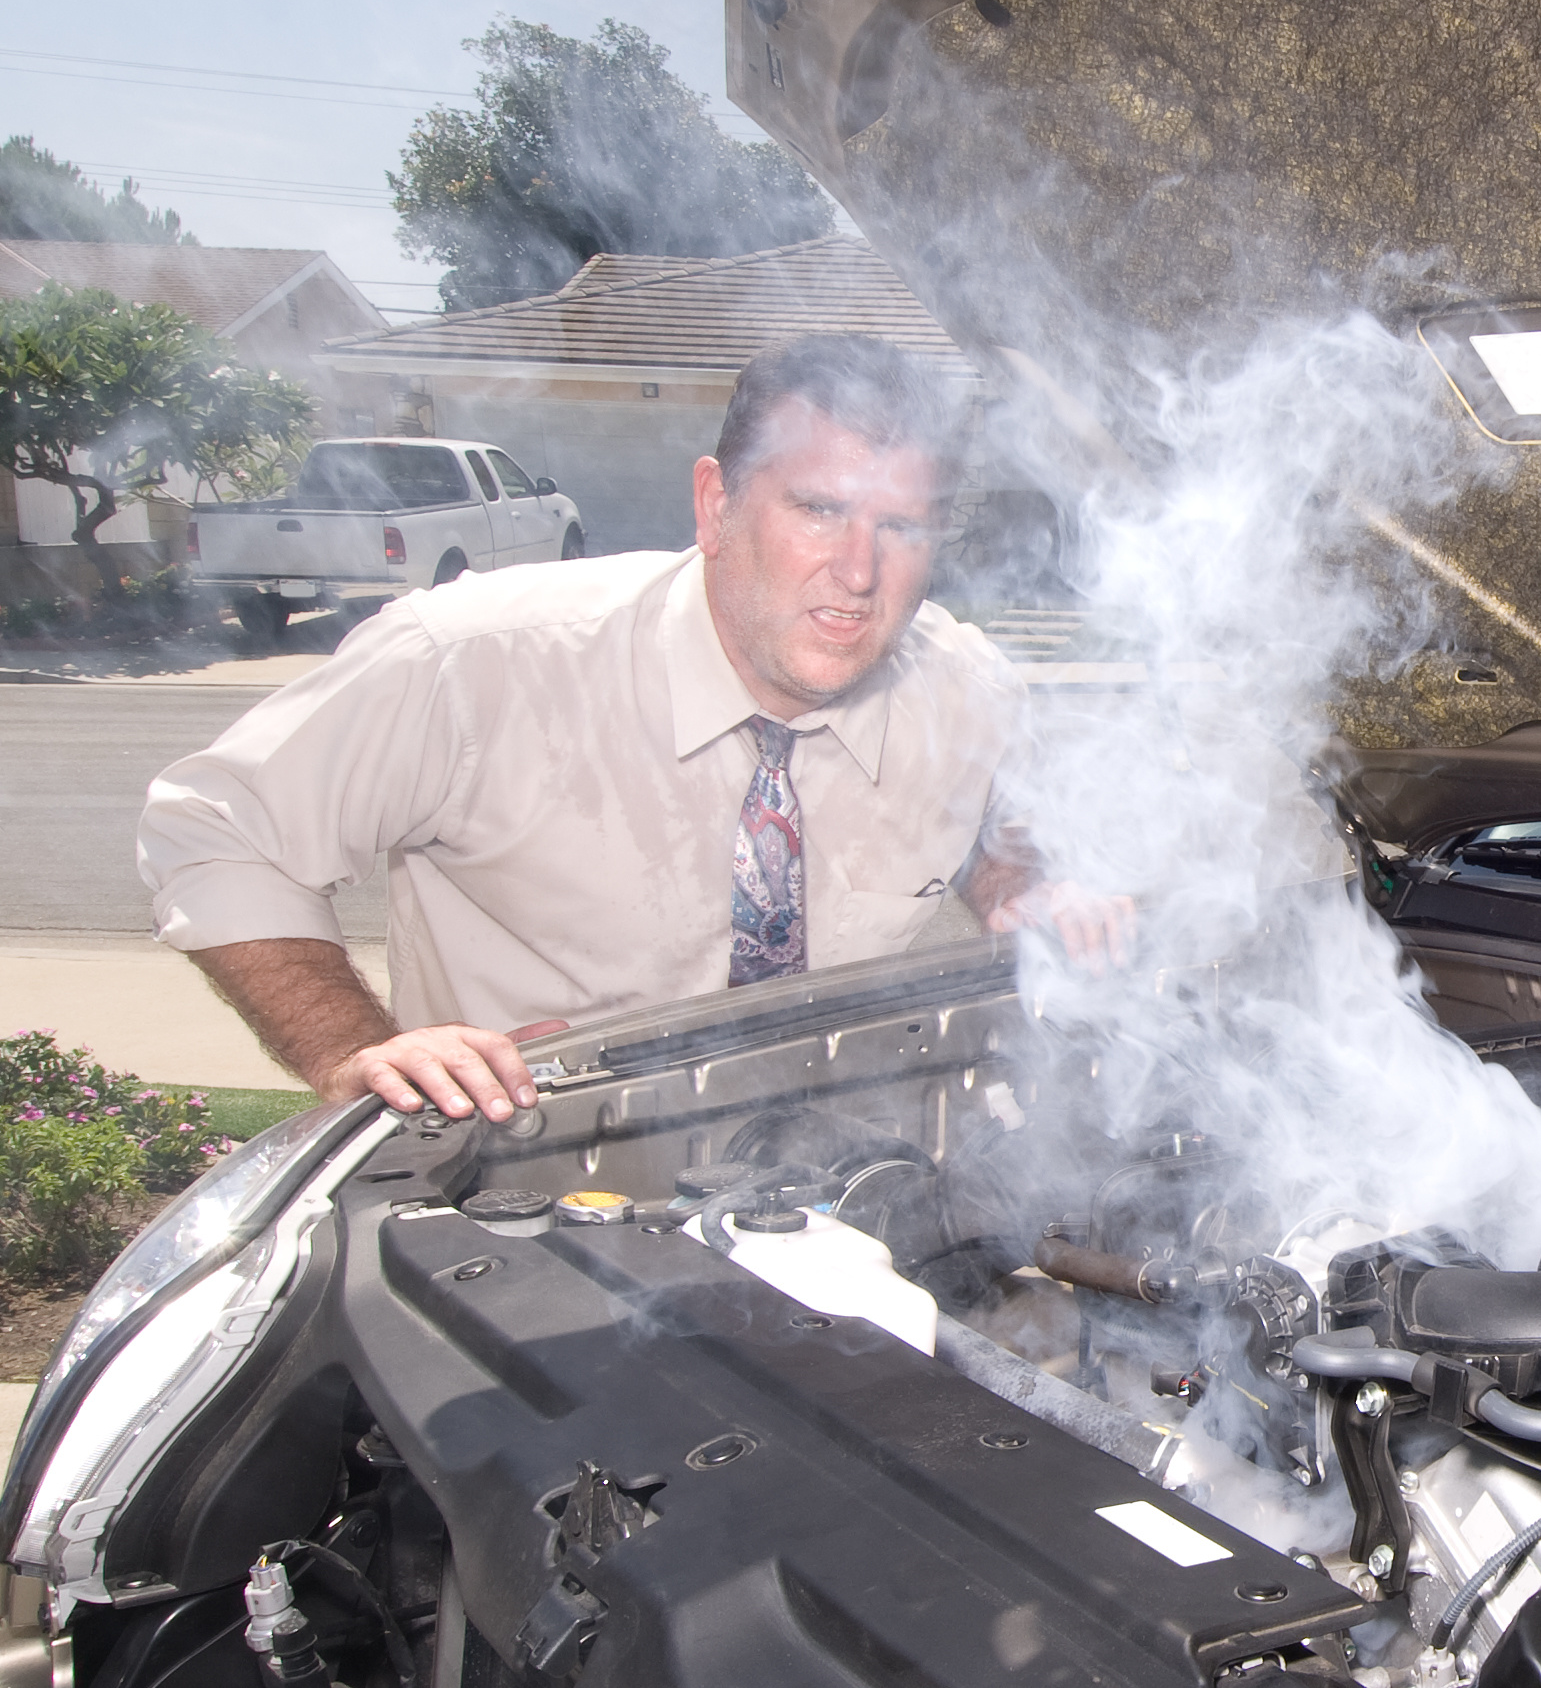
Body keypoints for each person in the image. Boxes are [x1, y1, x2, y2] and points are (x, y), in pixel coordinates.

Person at [141, 333, 1126, 1123]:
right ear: (714, 504)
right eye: (819, 510)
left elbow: (994, 835)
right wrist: (354, 1049)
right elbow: (216, 829)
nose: (860, 571)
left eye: (901, 528)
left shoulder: (966, 691)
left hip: (839, 1195)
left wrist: (1021, 886)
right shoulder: (475, 659)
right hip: (526, 1199)